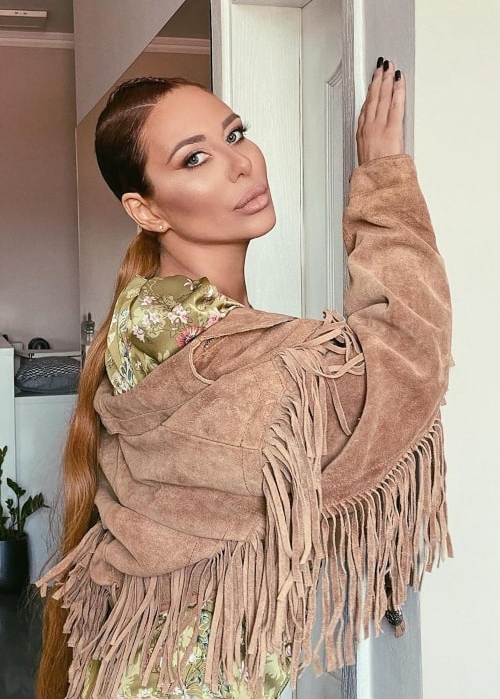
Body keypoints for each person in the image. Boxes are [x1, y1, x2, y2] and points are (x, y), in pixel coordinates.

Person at [37, 58, 452, 699]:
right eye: (194, 158)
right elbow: (397, 370)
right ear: (145, 210)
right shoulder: (174, 328)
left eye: (234, 134)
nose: (240, 163)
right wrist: (383, 187)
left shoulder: (175, 314)